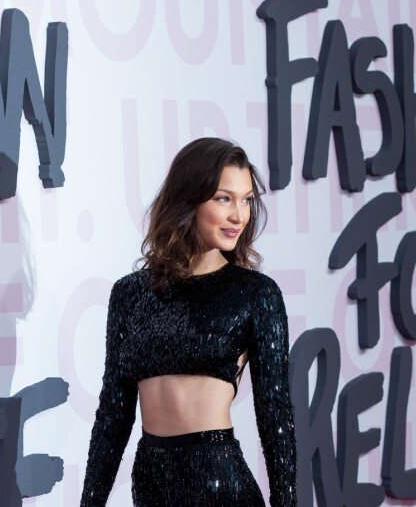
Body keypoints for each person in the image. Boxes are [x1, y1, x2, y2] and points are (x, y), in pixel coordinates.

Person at [80, 137, 297, 506]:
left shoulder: (256, 294)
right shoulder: (130, 294)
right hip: (151, 487)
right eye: (224, 198)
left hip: (221, 486)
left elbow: (274, 413)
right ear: (189, 198)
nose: (239, 216)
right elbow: (114, 415)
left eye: (246, 200)